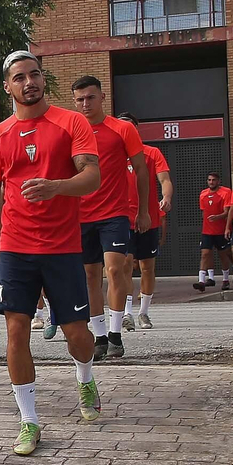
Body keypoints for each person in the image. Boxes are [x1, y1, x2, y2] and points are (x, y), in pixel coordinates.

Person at [0, 52, 102, 456]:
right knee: (16, 330)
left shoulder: (72, 122)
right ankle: (28, 420)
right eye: (19, 77)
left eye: (34, 75)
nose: (29, 82)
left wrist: (56, 187)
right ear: (7, 87)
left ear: (43, 79)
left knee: (77, 335)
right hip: (15, 247)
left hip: (63, 247)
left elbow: (92, 177)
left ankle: (85, 376)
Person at [71, 76, 149, 360]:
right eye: (80, 99)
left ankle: (116, 333)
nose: (85, 104)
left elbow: (141, 170)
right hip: (81, 216)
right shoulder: (71, 131)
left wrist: (143, 210)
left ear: (102, 97)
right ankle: (100, 335)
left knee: (115, 269)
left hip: (114, 213)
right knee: (90, 275)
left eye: (90, 97)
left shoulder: (122, 129)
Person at [116, 113, 172, 330]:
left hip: (148, 218)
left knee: (147, 266)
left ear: (136, 129)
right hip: (122, 219)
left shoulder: (151, 153)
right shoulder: (112, 155)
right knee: (125, 264)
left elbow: (164, 179)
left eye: (129, 127)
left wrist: (166, 198)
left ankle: (144, 312)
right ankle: (127, 313)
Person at [195, 171, 233, 291]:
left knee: (223, 254)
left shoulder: (225, 192)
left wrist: (218, 217)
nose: (211, 182)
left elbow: (227, 212)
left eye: (213, 180)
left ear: (218, 181)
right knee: (205, 253)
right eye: (209, 180)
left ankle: (226, 279)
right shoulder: (203, 194)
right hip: (207, 231)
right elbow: (204, 211)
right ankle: (201, 281)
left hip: (221, 230)